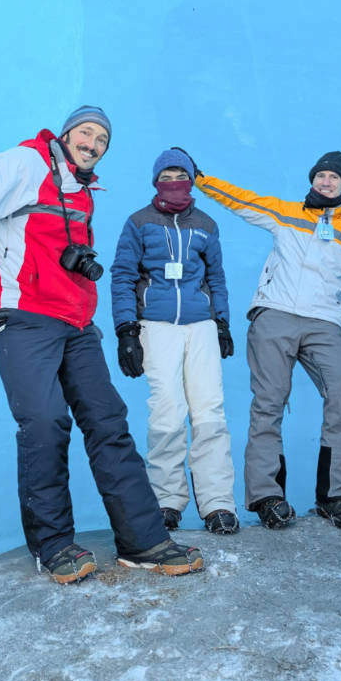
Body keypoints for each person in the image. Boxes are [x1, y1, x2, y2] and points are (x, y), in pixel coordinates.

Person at [0, 107, 204, 583]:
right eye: (86, 132)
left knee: (108, 422)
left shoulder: (84, 189)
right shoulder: (25, 164)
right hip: (22, 316)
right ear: (67, 133)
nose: (92, 143)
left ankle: (144, 541)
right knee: (45, 422)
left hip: (76, 324)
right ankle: (53, 546)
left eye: (102, 139)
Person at [194, 150, 341, 530]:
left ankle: (336, 496)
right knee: (269, 402)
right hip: (275, 314)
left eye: (334, 177)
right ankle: (267, 497)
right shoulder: (286, 212)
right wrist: (202, 180)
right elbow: (241, 199)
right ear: (312, 180)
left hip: (325, 323)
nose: (326, 182)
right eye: (321, 175)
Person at [110, 148, 239, 535]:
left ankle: (218, 504)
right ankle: (166, 500)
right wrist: (126, 330)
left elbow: (216, 277)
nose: (173, 182)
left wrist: (222, 323)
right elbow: (122, 276)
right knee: (166, 413)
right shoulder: (139, 223)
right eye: (165, 176)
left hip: (200, 327)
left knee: (209, 412)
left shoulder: (206, 225)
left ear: (191, 179)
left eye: (179, 174)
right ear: (155, 181)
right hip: (156, 326)